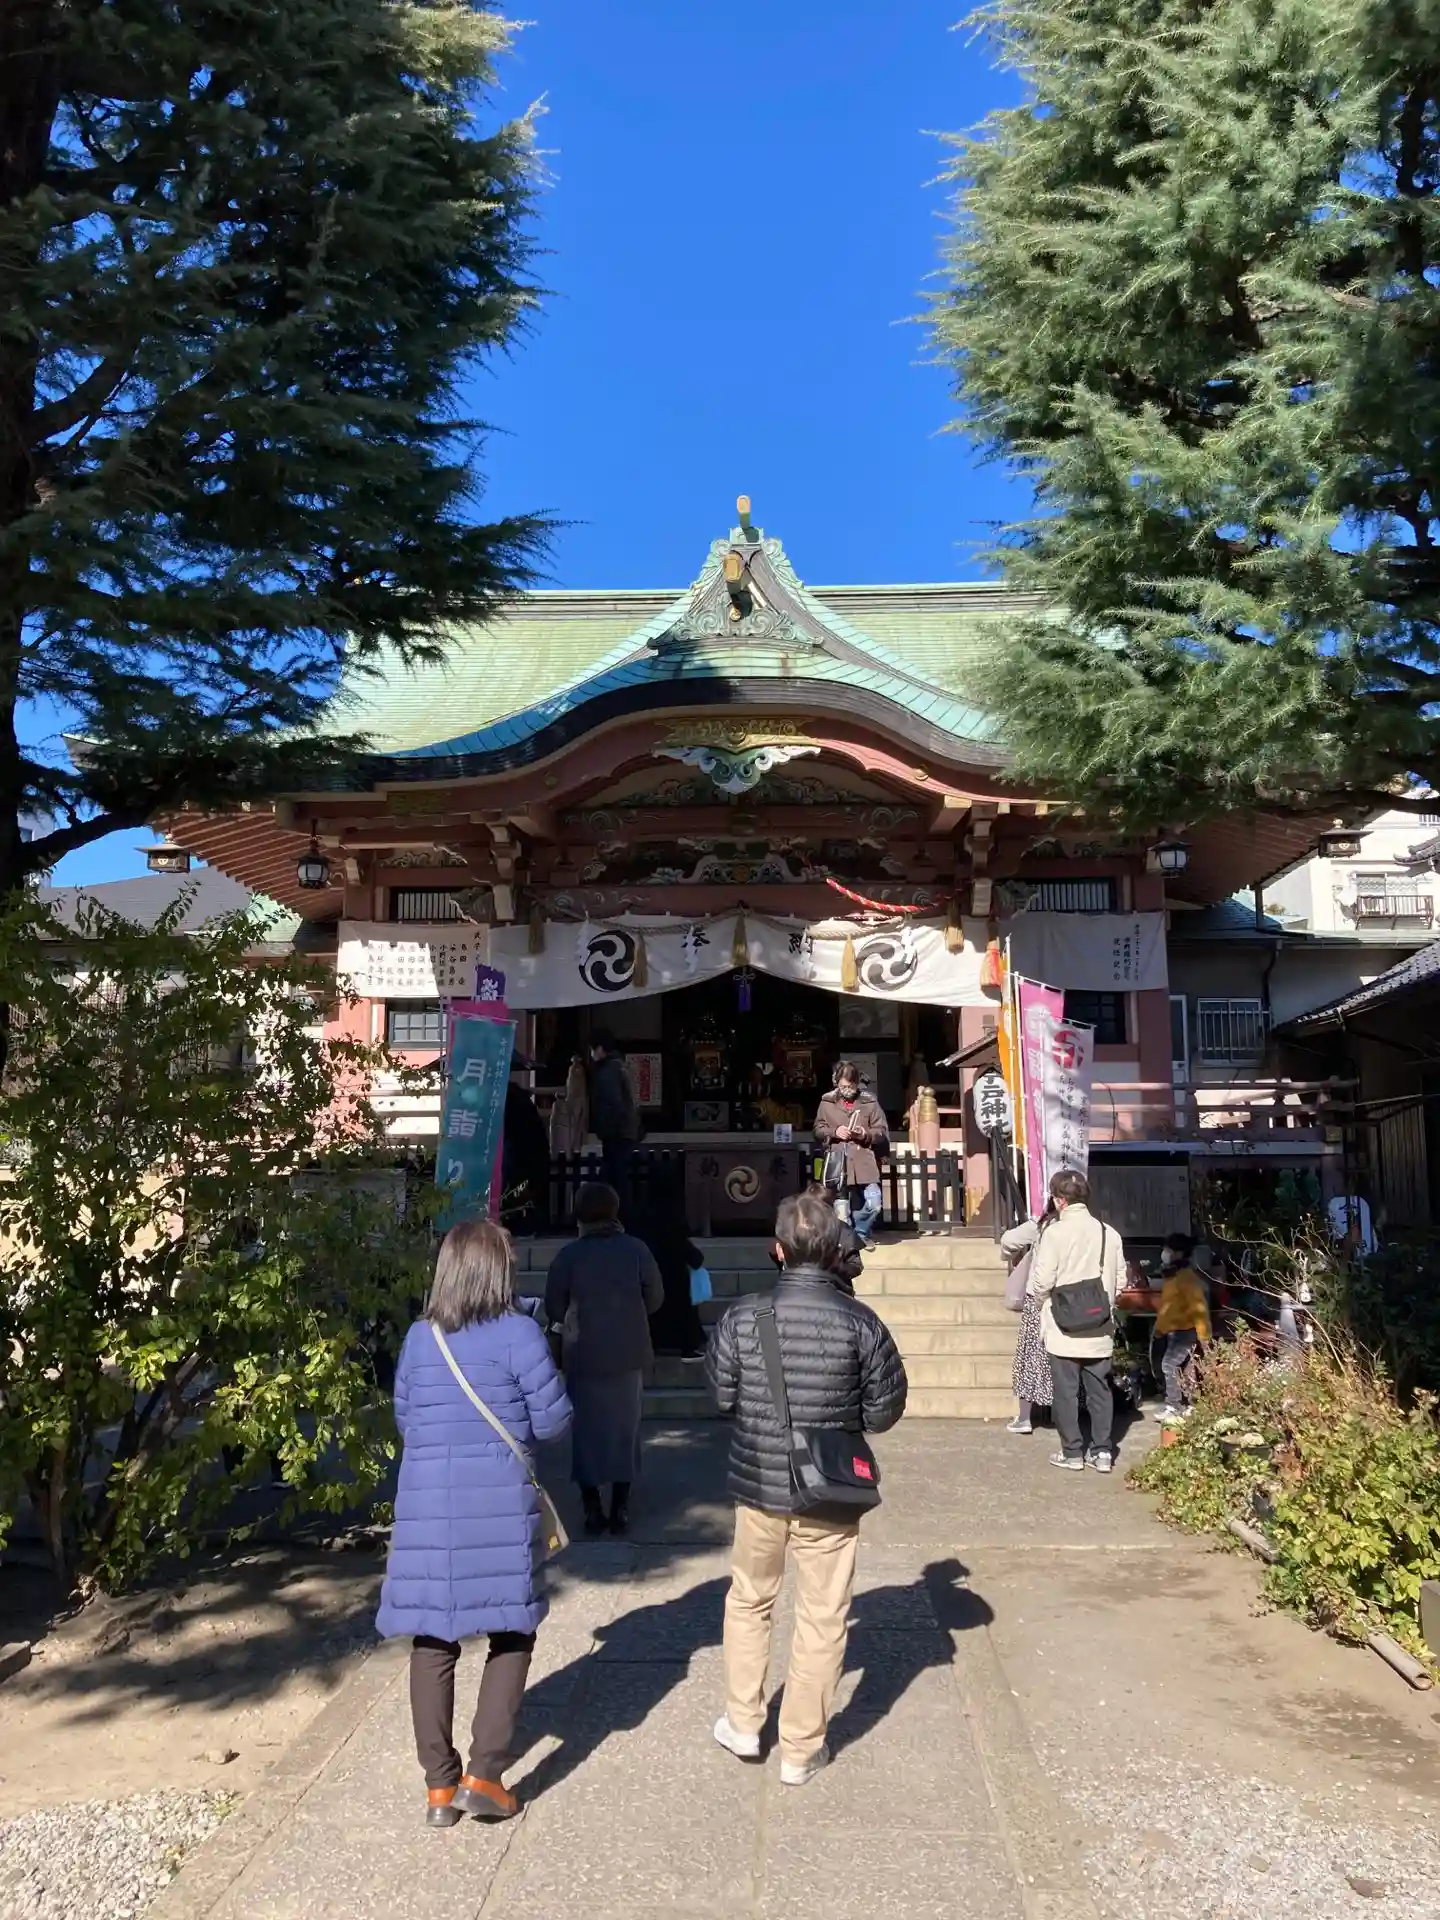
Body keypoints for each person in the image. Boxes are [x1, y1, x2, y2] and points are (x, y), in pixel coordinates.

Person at [706, 1190, 908, 1786]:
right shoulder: (861, 1322)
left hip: (759, 1479)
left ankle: (744, 1722)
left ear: (778, 1250)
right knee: (823, 1616)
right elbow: (884, 1411)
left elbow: (721, 1395)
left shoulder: (743, 1316)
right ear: (835, 1252)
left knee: (749, 1599)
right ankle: (800, 1748)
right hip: (831, 1488)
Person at [376, 1219, 572, 1828]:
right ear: (500, 1271)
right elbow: (553, 1422)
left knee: (432, 1637)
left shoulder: (420, 1337)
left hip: (427, 1508)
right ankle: (485, 1774)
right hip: (499, 1503)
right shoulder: (520, 1333)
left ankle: (439, 1787)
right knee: (512, 1628)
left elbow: (405, 1418)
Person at [544, 1181, 663, 1536]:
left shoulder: (568, 1256)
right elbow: (655, 1297)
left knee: (586, 1433)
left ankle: (592, 1507)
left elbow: (553, 1306)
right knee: (626, 1429)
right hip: (628, 1351)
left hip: (583, 1353)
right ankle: (620, 1506)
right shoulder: (636, 1250)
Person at [1026, 1169, 1125, 1473]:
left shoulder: (1054, 1233)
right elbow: (1121, 1280)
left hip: (1063, 1326)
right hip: (1099, 1326)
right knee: (1100, 1391)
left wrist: (1042, 1304)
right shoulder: (1109, 1233)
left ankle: (1072, 1453)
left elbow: (1042, 1281)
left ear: (1059, 1200)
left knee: (1066, 1392)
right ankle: (1103, 1452)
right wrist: (1105, 1305)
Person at [812, 1060, 889, 1248]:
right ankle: (847, 1242)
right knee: (841, 1211)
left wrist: (864, 1134)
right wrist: (834, 1132)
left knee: (874, 1203)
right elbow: (817, 1129)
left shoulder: (869, 1102)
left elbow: (881, 1131)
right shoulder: (827, 1102)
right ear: (836, 1083)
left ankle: (861, 1232)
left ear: (857, 1083)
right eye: (843, 1086)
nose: (847, 1090)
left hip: (864, 1160)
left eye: (850, 1086)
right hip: (838, 1160)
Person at [999, 1200, 1057, 1436]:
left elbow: (1008, 1240)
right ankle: (1057, 1414)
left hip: (1039, 1299)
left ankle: (1025, 1418)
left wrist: (1010, 1256)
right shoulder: (1086, 1227)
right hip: (1069, 1300)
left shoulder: (1042, 1224)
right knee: (1062, 1360)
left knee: (1031, 1356)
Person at [638, 1172, 709, 1359]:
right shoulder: (672, 1213)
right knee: (681, 1309)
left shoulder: (643, 1212)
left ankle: (655, 1343)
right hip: (674, 1271)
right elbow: (679, 1241)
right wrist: (696, 1258)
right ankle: (687, 1346)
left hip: (651, 1268)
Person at [1152, 1232, 1211, 1423]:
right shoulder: (1173, 1275)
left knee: (1169, 1365)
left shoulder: (1186, 1277)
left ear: (1178, 1253)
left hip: (1185, 1331)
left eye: (1168, 1249)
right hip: (1175, 1331)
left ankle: (1174, 1406)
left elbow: (1198, 1307)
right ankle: (1191, 1405)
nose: (1164, 1253)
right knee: (1186, 1368)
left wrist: (1204, 1335)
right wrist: (1160, 1329)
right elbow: (1168, 1308)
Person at [588, 1030, 642, 1212]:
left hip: (616, 1133)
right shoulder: (621, 1065)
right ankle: (619, 1214)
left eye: (592, 1049)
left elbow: (613, 1102)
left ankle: (616, 1215)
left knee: (614, 1178)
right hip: (625, 1131)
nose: (591, 1054)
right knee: (617, 1176)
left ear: (600, 1049)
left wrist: (605, 1127)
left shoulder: (608, 1071)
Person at [502, 1057, 551, 1235]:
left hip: (519, 1155)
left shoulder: (507, 1099)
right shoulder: (519, 1098)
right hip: (529, 1154)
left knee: (516, 1190)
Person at [805, 1180, 863, 1294]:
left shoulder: (843, 1230)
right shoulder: (800, 1230)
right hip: (806, 1290)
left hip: (837, 1290)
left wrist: (837, 1265)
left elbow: (856, 1266)